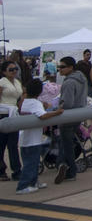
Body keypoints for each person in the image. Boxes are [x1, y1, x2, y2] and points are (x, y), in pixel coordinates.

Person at [16, 79, 63, 194]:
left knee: (33, 161)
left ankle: (34, 182)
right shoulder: (35, 103)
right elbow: (42, 116)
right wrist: (58, 112)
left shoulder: (24, 101)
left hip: (24, 138)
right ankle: (23, 186)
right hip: (33, 140)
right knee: (31, 163)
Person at [55, 56, 88, 184]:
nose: (60, 69)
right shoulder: (82, 78)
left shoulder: (69, 82)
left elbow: (67, 103)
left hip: (68, 116)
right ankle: (64, 165)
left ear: (71, 67)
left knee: (66, 144)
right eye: (59, 67)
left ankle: (67, 168)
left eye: (62, 67)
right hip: (78, 115)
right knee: (67, 143)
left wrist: (59, 107)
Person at [0, 60, 24, 181]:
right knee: (1, 145)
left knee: (13, 145)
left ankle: (17, 170)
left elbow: (19, 98)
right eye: (11, 69)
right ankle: (1, 171)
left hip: (14, 114)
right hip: (3, 114)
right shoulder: (1, 83)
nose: (14, 71)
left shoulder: (17, 82)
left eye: (15, 69)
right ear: (4, 71)